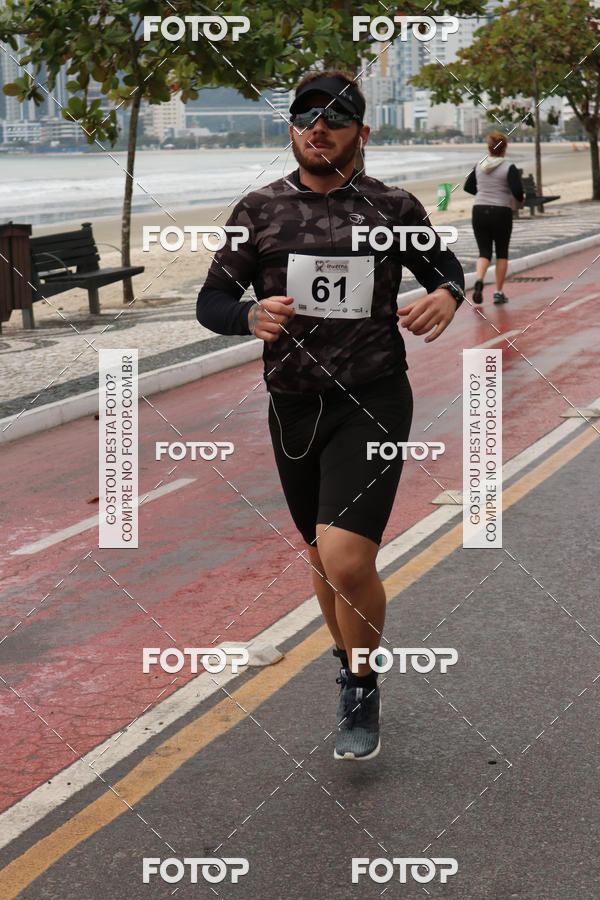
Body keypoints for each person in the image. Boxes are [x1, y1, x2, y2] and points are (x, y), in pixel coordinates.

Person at [197, 69, 465, 761]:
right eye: (306, 116)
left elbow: (445, 271)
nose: (319, 126)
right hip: (292, 405)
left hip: (372, 396)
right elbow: (212, 303)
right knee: (321, 556)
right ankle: (347, 665)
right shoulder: (258, 210)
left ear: (360, 133)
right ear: (292, 130)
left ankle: (363, 684)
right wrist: (249, 313)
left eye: (336, 116)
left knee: (347, 560)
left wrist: (448, 296)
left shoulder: (393, 207)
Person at [464, 131, 524, 305]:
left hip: (479, 210)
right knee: (501, 252)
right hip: (501, 212)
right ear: (504, 148)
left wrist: (483, 193)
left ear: (489, 147)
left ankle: (480, 280)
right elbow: (518, 192)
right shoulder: (508, 167)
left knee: (484, 252)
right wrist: (519, 199)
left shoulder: (479, 165)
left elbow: (468, 187)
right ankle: (498, 292)